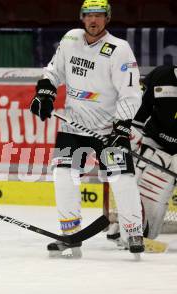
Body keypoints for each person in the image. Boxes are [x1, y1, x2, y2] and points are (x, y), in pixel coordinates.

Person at [30, 0, 144, 258]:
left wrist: (121, 124)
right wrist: (45, 94)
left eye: (99, 16)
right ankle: (70, 234)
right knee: (63, 177)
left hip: (108, 129)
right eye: (89, 16)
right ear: (82, 18)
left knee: (122, 180)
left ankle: (133, 231)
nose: (93, 21)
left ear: (107, 19)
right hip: (73, 125)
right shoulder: (70, 39)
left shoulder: (119, 49)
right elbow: (53, 71)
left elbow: (131, 93)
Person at [107, 65, 177, 241]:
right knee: (139, 186)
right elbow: (141, 108)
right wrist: (129, 134)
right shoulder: (162, 75)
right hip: (154, 142)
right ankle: (128, 227)